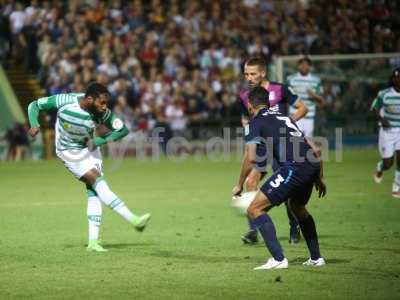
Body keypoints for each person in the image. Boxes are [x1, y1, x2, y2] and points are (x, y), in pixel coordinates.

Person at [27, 82, 151, 252]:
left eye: (106, 103)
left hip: (91, 149)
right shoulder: (64, 100)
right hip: (69, 152)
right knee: (97, 181)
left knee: (94, 190)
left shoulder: (101, 113)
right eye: (102, 102)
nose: (104, 107)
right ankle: (134, 220)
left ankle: (93, 242)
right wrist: (34, 123)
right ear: (89, 99)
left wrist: (101, 140)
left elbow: (122, 130)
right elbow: (34, 105)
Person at [232, 86, 326, 270]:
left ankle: (278, 259)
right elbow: (314, 148)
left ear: (250, 105)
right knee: (297, 207)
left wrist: (239, 185)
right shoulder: (285, 118)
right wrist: (319, 178)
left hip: (295, 167)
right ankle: (316, 258)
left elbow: (250, 157)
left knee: (255, 209)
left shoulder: (254, 123)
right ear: (267, 102)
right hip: (312, 165)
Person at [236, 56, 308, 244]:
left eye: (252, 74)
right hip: (260, 145)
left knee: (287, 188)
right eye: (246, 74)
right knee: (250, 182)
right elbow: (246, 121)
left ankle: (294, 226)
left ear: (263, 73)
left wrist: (286, 124)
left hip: (281, 145)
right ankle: (254, 230)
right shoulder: (244, 96)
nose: (249, 78)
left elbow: (302, 108)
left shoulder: (280, 89)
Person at [371, 67, 400, 198]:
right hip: (387, 131)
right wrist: (382, 119)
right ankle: (380, 167)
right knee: (389, 162)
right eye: (398, 77)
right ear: (394, 79)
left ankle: (396, 186)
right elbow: (374, 109)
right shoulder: (384, 94)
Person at [287, 57, 325, 137]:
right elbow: (286, 96)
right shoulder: (291, 79)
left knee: (308, 142)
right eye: (302, 64)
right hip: (295, 115)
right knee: (295, 142)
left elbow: (321, 100)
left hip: (309, 115)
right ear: (298, 66)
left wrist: (314, 96)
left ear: (310, 67)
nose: (304, 67)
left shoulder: (316, 80)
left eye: (306, 65)